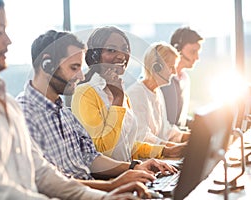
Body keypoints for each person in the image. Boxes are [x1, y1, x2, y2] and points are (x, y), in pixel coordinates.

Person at [0, 0, 153, 199]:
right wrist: (106, 190)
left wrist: (104, 195)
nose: (8, 41)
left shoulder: (6, 103)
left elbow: (42, 173)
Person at [16, 29, 177, 192]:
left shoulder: (63, 113)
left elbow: (91, 157)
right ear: (47, 64)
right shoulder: (23, 116)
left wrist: (134, 166)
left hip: (95, 190)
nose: (80, 76)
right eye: (74, 68)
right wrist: (111, 186)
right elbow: (48, 183)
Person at [71, 26, 184, 160]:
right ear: (95, 56)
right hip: (112, 179)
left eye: (124, 49)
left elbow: (126, 146)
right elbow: (102, 151)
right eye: (112, 50)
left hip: (128, 172)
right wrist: (118, 99)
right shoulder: (85, 93)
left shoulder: (120, 92)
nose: (121, 55)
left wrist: (166, 151)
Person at [127, 42, 190, 147]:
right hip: (142, 160)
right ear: (156, 67)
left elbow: (165, 131)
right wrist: (171, 148)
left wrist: (192, 137)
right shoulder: (136, 94)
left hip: (157, 155)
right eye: (171, 67)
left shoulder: (157, 92)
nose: (174, 72)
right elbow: (142, 137)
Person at [161, 27, 203, 127]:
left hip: (178, 138)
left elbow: (179, 120)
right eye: (193, 52)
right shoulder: (162, 80)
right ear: (177, 49)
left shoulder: (185, 79)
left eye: (198, 52)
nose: (197, 58)